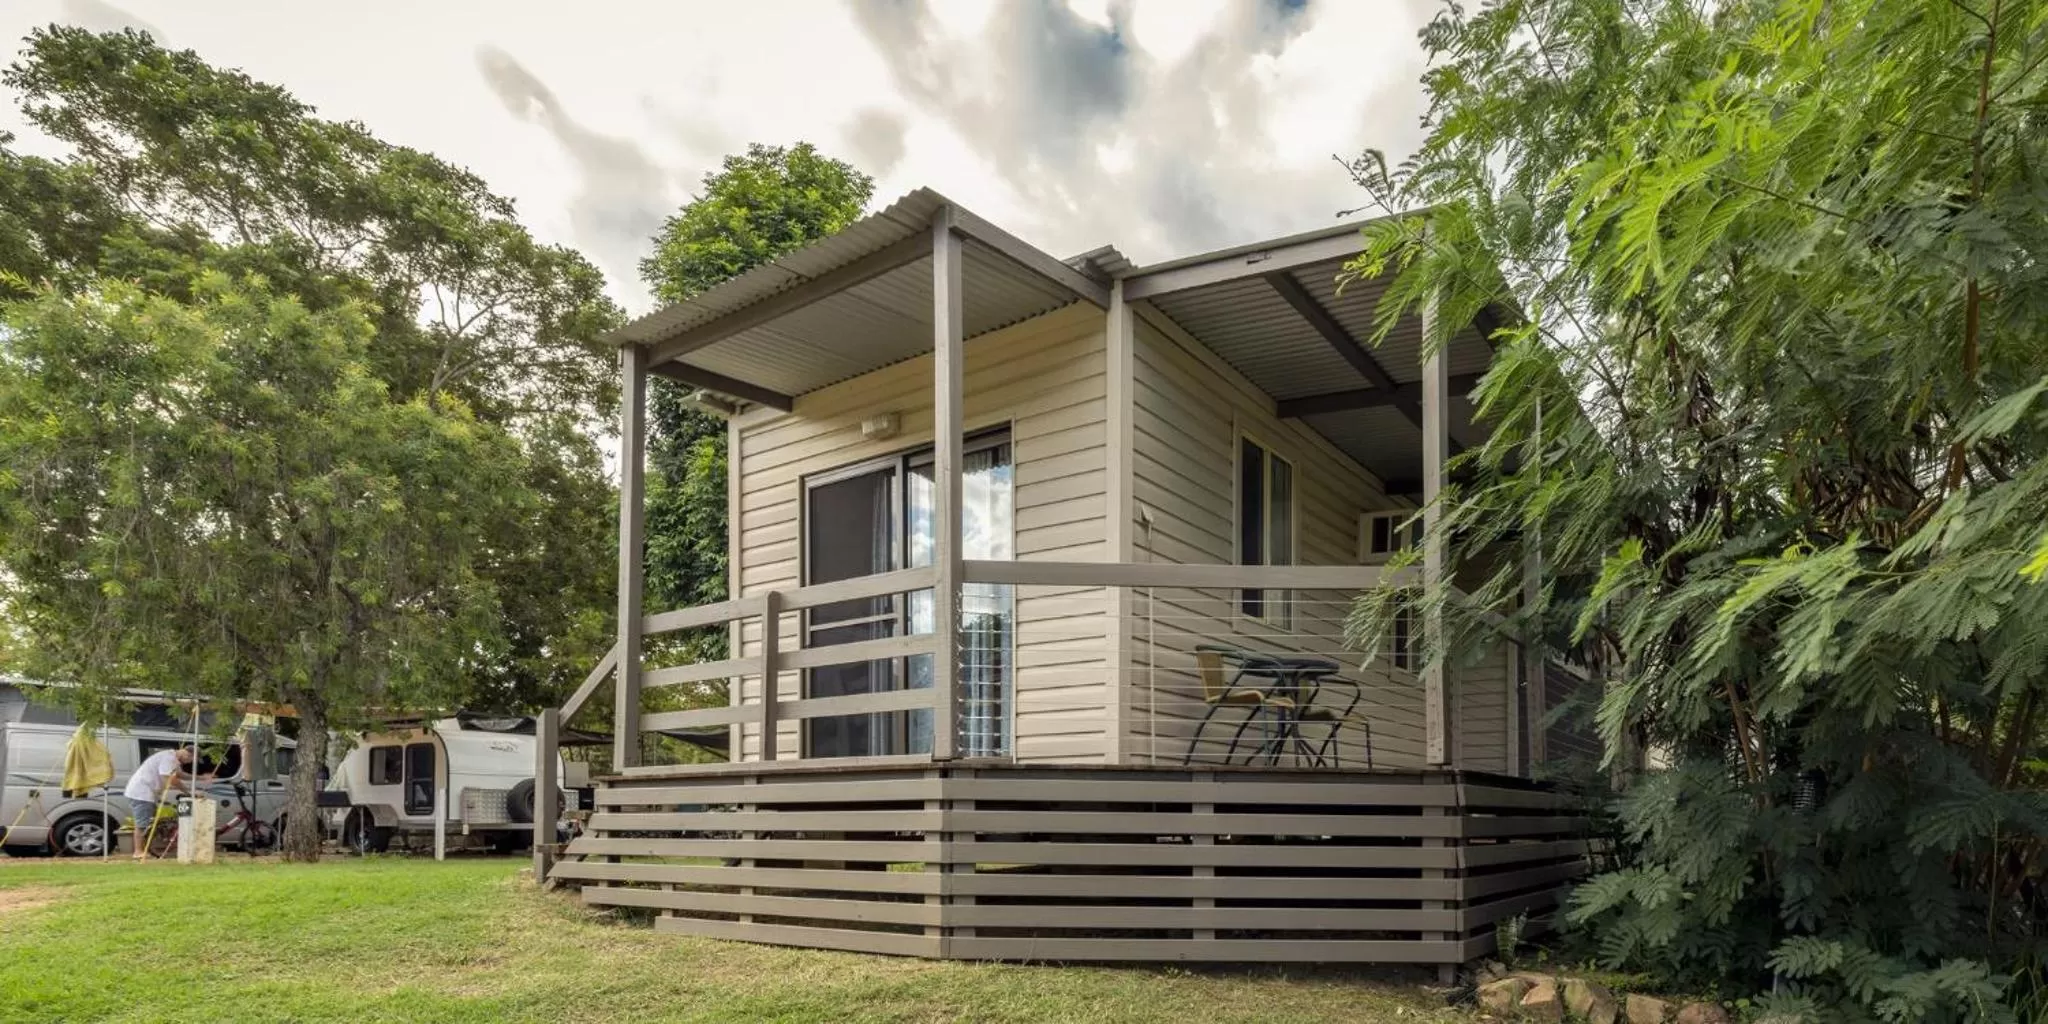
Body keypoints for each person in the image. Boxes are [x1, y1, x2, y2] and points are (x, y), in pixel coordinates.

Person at [123, 746, 208, 859]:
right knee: (142, 824)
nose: (190, 762)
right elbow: (169, 778)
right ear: (188, 754)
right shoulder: (168, 758)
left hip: (148, 793)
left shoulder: (173, 759)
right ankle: (138, 852)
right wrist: (188, 793)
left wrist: (201, 778)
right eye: (192, 760)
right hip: (141, 793)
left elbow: (180, 775)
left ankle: (146, 848)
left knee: (150, 821)